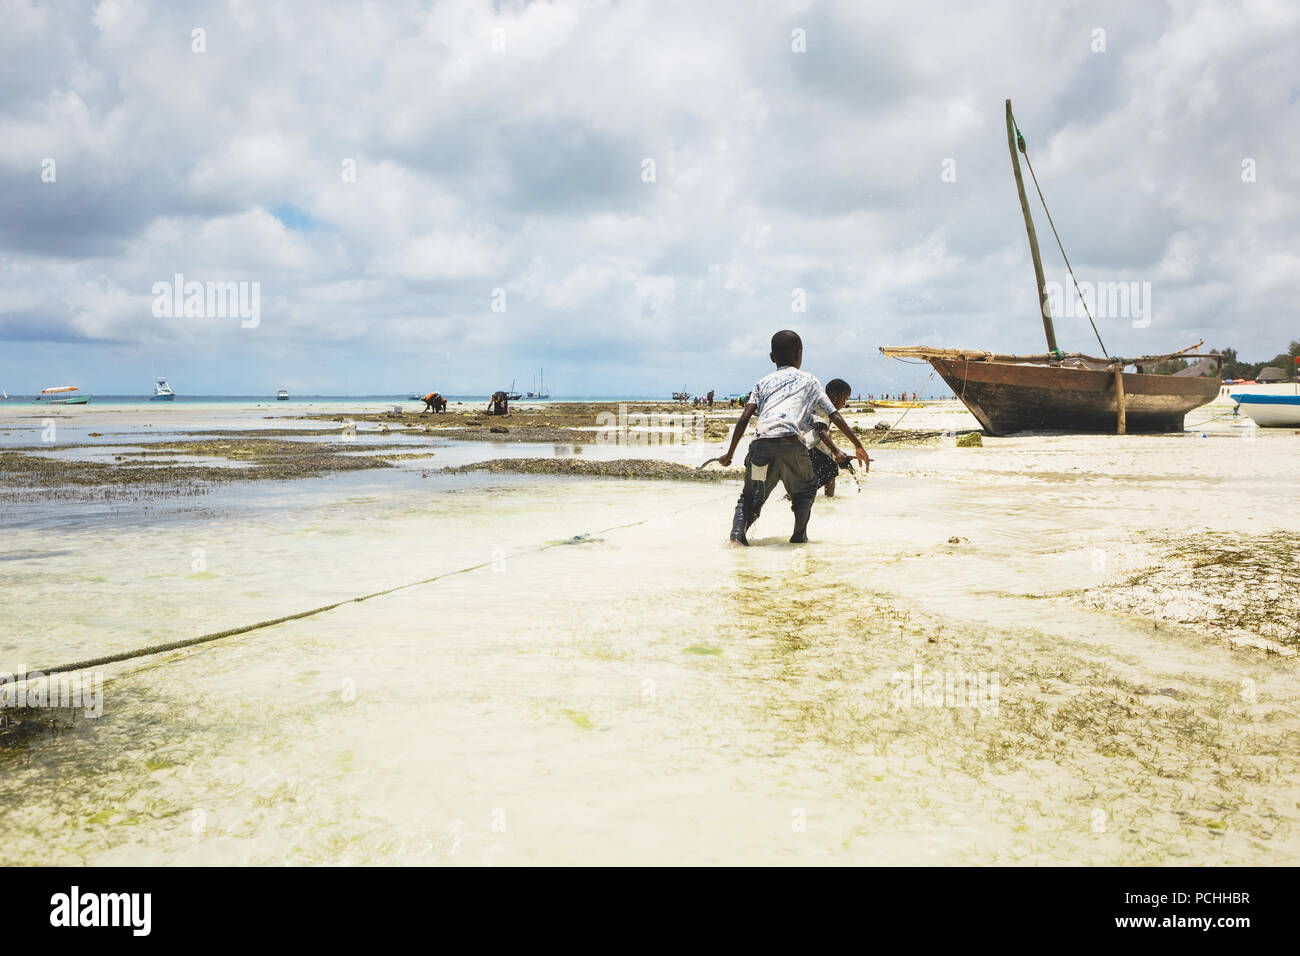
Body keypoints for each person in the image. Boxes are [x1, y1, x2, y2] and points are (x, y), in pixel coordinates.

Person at [718, 331, 869, 546]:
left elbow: (744, 417)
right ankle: (799, 537)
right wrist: (858, 445)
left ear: (772, 357)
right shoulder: (810, 380)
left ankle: (735, 540)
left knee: (750, 498)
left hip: (761, 449)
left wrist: (730, 454)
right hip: (792, 446)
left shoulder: (762, 383)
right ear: (800, 354)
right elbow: (834, 414)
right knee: (805, 490)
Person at [808, 379, 857, 497]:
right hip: (809, 448)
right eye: (845, 398)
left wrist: (835, 453)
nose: (844, 403)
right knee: (829, 470)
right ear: (834, 397)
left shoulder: (822, 407)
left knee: (829, 471)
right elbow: (821, 431)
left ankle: (829, 500)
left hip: (811, 448)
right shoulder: (822, 408)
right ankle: (829, 500)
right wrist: (836, 451)